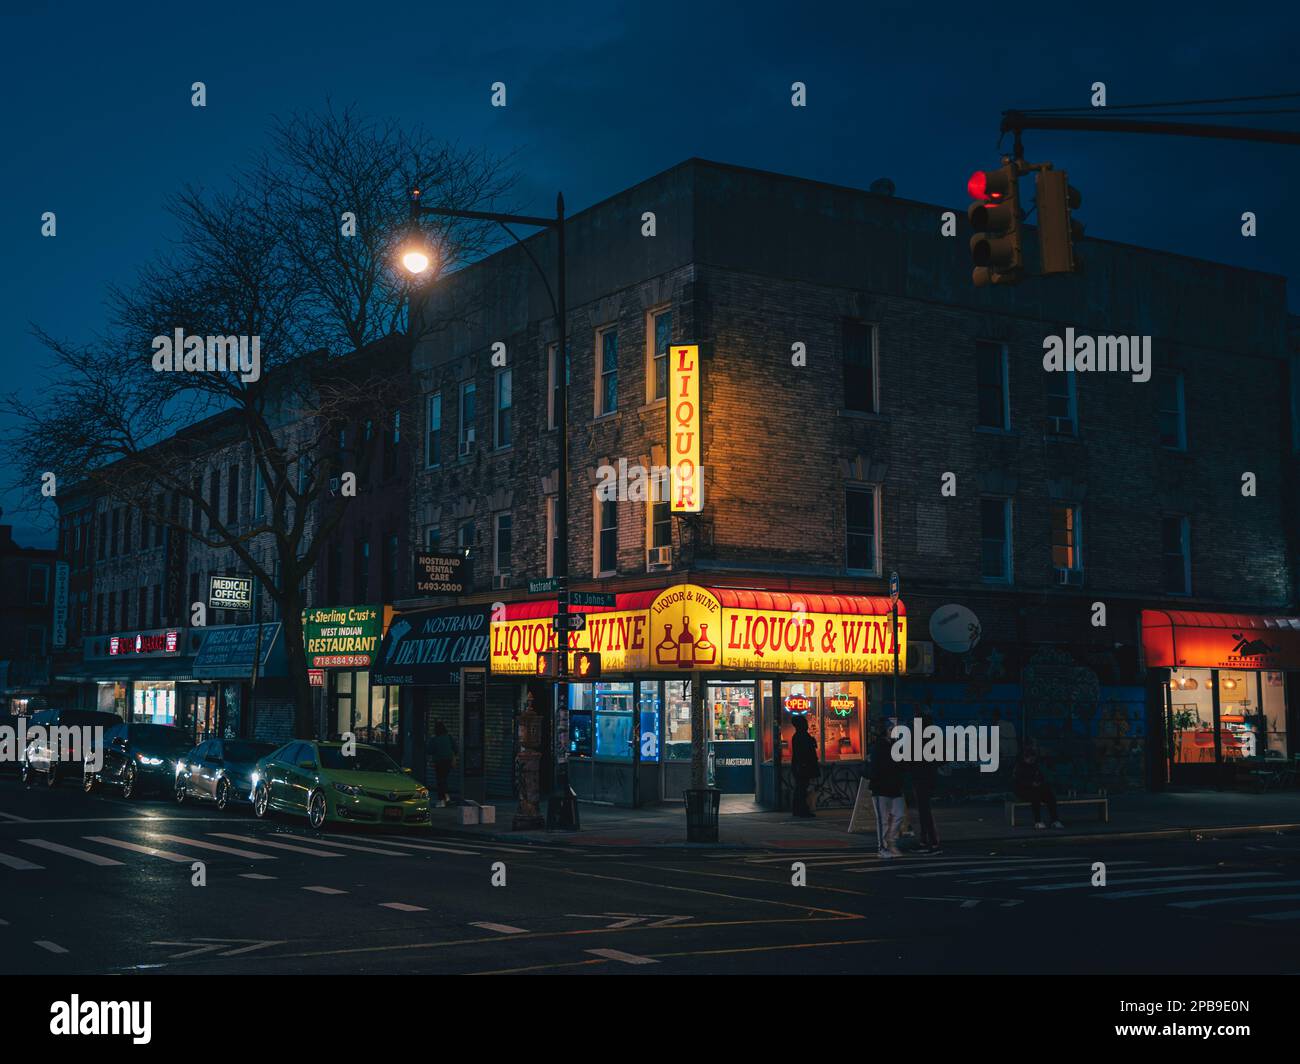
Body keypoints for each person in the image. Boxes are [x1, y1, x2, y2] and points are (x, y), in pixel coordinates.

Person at [868, 717, 905, 858]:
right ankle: (883, 847)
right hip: (881, 787)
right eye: (890, 729)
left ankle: (890, 841)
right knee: (883, 819)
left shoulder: (895, 745)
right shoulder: (878, 747)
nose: (893, 732)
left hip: (894, 786)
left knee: (899, 814)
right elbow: (875, 768)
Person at [1013, 739, 1063, 829]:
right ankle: (1038, 821)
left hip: (1035, 789)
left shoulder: (1035, 766)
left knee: (1050, 796)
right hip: (1023, 791)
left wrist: (1039, 783)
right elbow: (1018, 782)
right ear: (1025, 758)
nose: (1032, 760)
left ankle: (1055, 820)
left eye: (1033, 758)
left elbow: (1041, 777)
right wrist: (1031, 784)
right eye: (1030, 759)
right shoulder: (1019, 767)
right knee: (1035, 797)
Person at [913, 713, 942, 854]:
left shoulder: (918, 740)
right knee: (924, 810)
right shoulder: (933, 739)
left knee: (924, 811)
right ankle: (926, 839)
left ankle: (931, 841)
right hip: (929, 778)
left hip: (920, 778)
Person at [790, 714, 819, 818]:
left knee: (801, 788)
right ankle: (801, 810)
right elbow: (804, 753)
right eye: (805, 723)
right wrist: (804, 765)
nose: (806, 725)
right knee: (801, 788)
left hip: (801, 766)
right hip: (803, 767)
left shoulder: (798, 736)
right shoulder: (801, 736)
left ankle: (799, 809)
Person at [430, 721, 458, 808]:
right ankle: (446, 797)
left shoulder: (434, 738)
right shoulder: (449, 737)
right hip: (448, 761)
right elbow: (455, 748)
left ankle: (442, 800)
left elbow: (429, 750)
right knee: (444, 779)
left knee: (440, 780)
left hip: (439, 761)